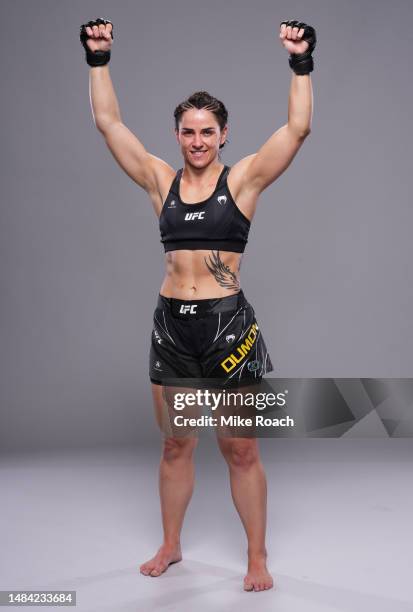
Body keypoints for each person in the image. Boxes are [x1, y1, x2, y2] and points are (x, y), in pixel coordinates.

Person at [79, 17, 315, 592]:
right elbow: (108, 123)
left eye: (208, 132)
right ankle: (170, 544)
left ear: (224, 135)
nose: (198, 141)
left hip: (227, 329)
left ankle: (257, 558)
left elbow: (298, 128)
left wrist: (301, 62)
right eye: (188, 132)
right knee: (175, 442)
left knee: (240, 450)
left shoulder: (244, 183)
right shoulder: (160, 182)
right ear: (177, 136)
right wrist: (98, 59)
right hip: (172, 330)